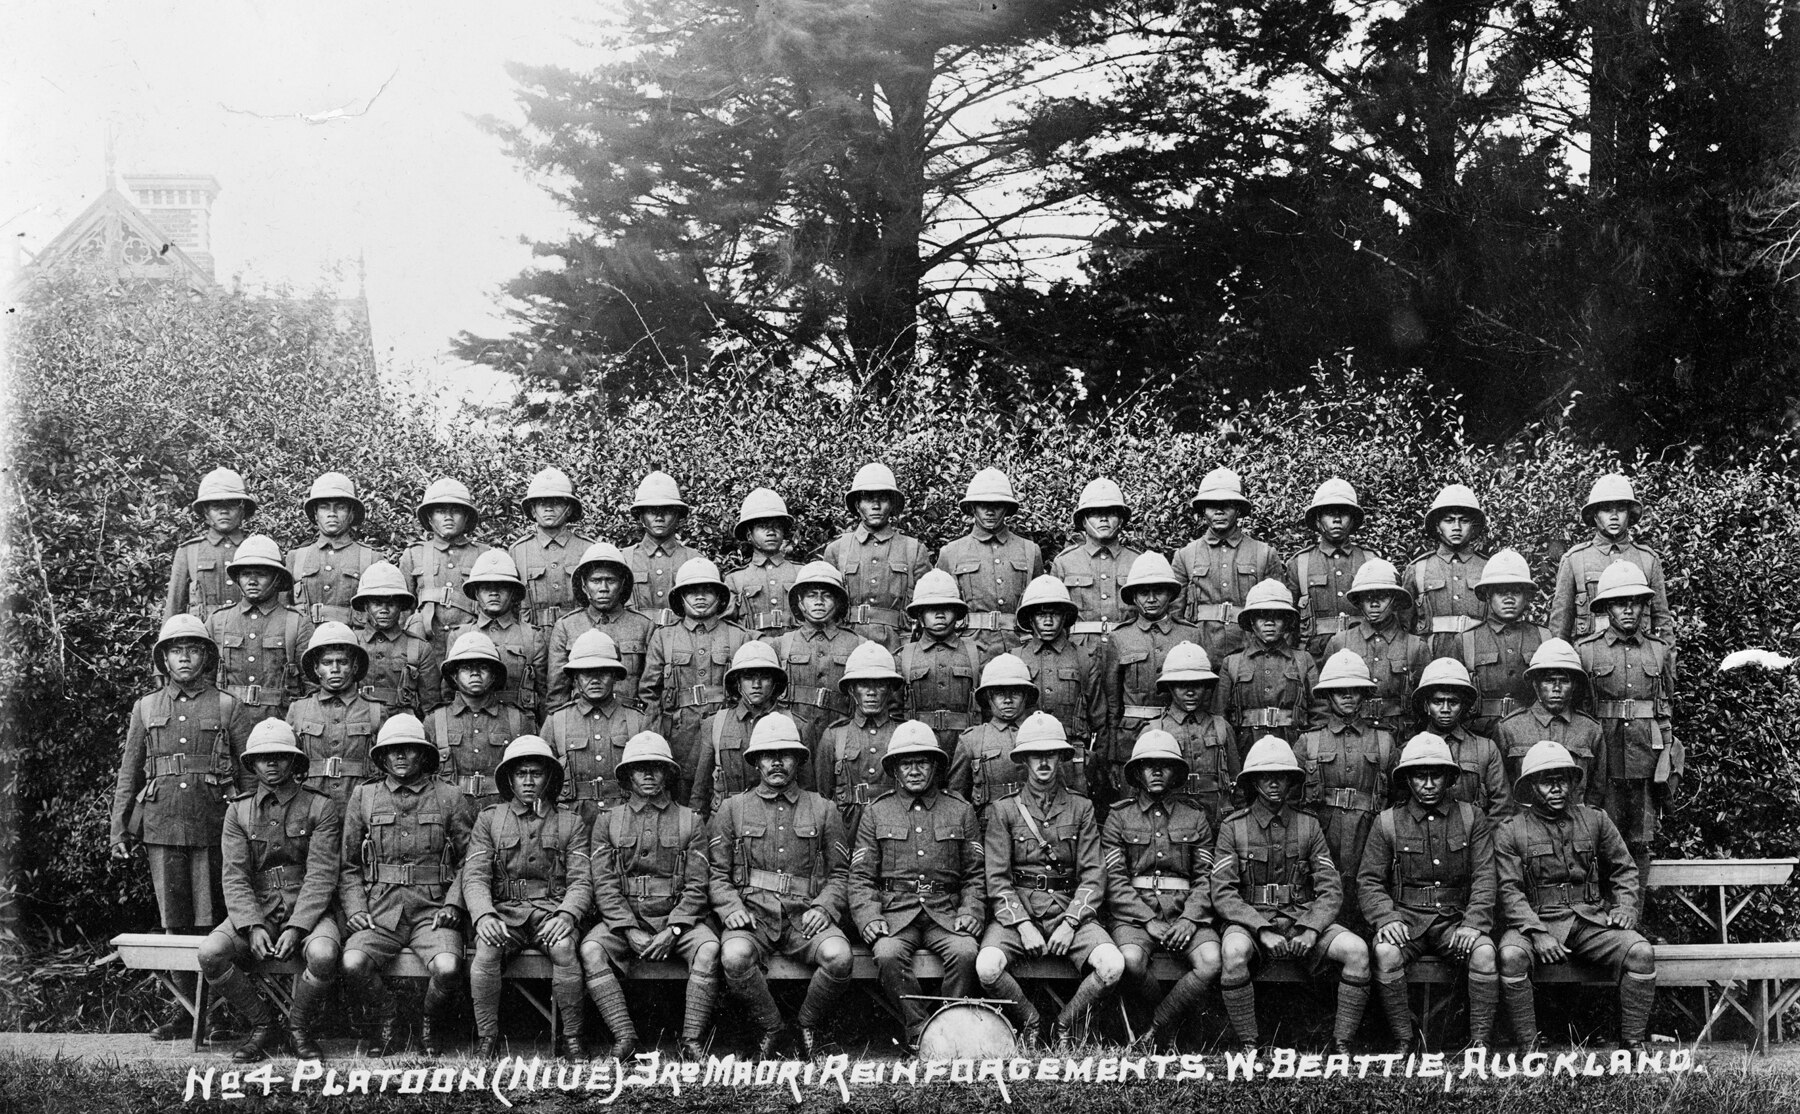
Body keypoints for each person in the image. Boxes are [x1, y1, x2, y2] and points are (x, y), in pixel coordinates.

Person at [110, 614, 256, 1039]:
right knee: (174, 922)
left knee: (215, 924)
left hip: (214, 825)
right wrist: (119, 830)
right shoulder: (146, 707)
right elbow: (129, 772)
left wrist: (251, 829)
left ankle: (219, 1016)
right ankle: (185, 1013)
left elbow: (249, 776)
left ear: (207, 657)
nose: (185, 658)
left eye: (193, 650)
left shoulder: (228, 705)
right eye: (177, 651)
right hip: (161, 825)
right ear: (164, 659)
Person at [1211, 736, 1371, 1054]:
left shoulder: (1308, 825)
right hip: (1251, 921)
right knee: (1233, 952)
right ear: (1253, 781)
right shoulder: (1234, 827)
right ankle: (1248, 1044)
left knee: (1357, 951)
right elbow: (1223, 891)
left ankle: (1342, 1043)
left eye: (1281, 776)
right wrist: (1261, 929)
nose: (1274, 783)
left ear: (1291, 781)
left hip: (1301, 917)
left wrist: (1311, 928)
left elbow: (1330, 887)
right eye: (1266, 776)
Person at [1495, 741, 1658, 1052]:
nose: (1557, 788)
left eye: (1563, 780)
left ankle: (1632, 1043)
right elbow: (1509, 890)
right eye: (1547, 781)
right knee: (1511, 956)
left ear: (1572, 783)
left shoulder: (1595, 820)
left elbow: (1624, 868)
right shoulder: (1511, 830)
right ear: (1531, 787)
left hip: (1590, 921)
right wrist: (1537, 933)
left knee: (1640, 952)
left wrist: (1625, 906)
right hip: (1536, 921)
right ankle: (1528, 1047)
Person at [198, 719, 343, 1062]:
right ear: (252, 764)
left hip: (308, 907)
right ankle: (263, 1026)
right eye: (263, 757)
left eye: (280, 756)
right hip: (257, 908)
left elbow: (322, 874)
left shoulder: (319, 806)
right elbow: (235, 875)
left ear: (294, 761)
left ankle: (298, 1028)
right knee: (211, 953)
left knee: (323, 954)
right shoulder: (238, 810)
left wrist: (298, 926)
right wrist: (251, 925)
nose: (272, 763)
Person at [976, 712, 1122, 1048]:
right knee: (987, 967)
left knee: (1112, 965)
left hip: (1068, 909)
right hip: (1019, 911)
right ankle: (1031, 1021)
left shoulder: (1081, 808)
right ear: (1024, 760)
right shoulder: (1004, 810)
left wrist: (1071, 922)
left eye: (1051, 754)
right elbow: (997, 878)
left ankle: (1064, 1024)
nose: (1043, 762)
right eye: (1036, 755)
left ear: (1061, 758)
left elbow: (1093, 874)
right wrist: (1022, 924)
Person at [710, 717, 853, 1059]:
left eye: (785, 754)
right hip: (753, 916)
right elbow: (716, 873)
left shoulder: (823, 809)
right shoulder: (732, 809)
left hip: (804, 917)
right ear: (756, 762)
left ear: (798, 760)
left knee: (839, 956)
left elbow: (840, 873)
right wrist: (731, 908)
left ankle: (806, 1026)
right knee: (734, 956)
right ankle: (771, 1028)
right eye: (767, 755)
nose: (776, 762)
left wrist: (824, 907)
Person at [339, 713, 476, 1056]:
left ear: (424, 755)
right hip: (380, 910)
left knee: (448, 967)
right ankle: (389, 1017)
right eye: (393, 749)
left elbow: (470, 861)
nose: (400, 755)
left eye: (409, 749)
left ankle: (428, 1023)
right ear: (383, 757)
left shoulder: (449, 796)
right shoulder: (364, 796)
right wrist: (355, 909)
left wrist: (453, 905)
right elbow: (348, 865)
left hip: (433, 910)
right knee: (353, 962)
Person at [1357, 734, 1499, 1055]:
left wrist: (1474, 923)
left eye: (1437, 775)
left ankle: (1479, 1043)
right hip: (1407, 920)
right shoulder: (1388, 822)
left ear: (1449, 778)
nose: (1429, 784)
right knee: (1385, 952)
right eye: (1420, 776)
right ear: (1408, 779)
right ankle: (1403, 1040)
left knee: (1484, 954)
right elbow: (1369, 881)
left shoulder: (1471, 817)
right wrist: (1386, 918)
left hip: (1455, 920)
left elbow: (1485, 876)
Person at [849, 722, 985, 1052]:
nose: (914, 770)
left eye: (922, 762)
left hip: (945, 912)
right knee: (887, 953)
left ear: (935, 766)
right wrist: (870, 917)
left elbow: (975, 875)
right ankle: (921, 1032)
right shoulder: (876, 812)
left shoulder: (960, 810)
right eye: (906, 763)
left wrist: (971, 911)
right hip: (896, 913)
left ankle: (949, 1030)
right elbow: (861, 877)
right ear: (895, 769)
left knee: (966, 952)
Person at [585, 731, 720, 1062]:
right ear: (628, 775)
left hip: (678, 922)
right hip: (625, 922)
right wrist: (627, 928)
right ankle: (624, 1037)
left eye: (656, 767)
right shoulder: (608, 822)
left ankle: (691, 1040)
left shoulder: (690, 821)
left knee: (709, 948)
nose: (648, 774)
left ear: (668, 773)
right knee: (590, 949)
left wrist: (674, 929)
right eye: (639, 767)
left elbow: (697, 885)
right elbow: (604, 884)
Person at [463, 736, 592, 1061]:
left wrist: (567, 915)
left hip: (551, 913)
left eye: (536, 773)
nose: (529, 781)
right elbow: (475, 875)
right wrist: (484, 915)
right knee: (486, 948)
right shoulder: (490, 819)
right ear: (510, 779)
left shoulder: (570, 822)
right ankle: (487, 1038)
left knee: (564, 948)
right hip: (505, 915)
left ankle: (573, 1038)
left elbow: (581, 880)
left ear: (549, 778)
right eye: (521, 774)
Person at [1102, 730, 1220, 1048]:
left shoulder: (1195, 816)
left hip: (1184, 911)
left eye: (1164, 765)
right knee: (1130, 961)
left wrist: (1190, 918)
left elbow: (1206, 878)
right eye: (1148, 765)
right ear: (1137, 773)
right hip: (1135, 914)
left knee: (1211, 960)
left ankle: (1159, 1024)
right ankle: (1166, 1021)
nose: (1156, 771)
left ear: (1176, 773)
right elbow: (1114, 878)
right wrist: (1146, 919)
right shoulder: (1119, 817)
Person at [1576, 562, 1682, 899]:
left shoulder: (1658, 650)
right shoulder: (1586, 651)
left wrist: (1666, 757)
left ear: (1643, 607)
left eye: (1634, 602)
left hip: (1644, 759)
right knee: (1599, 838)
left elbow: (1665, 707)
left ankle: (1633, 917)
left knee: (1639, 842)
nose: (1627, 610)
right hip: (1603, 758)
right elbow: (1578, 713)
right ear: (1607, 607)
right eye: (1620, 603)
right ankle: (1602, 915)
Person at [1297, 649, 1395, 932]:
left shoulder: (1384, 740)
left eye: (1354, 690)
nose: (1348, 696)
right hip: (1323, 830)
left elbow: (1398, 796)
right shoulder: (1309, 741)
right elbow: (1292, 798)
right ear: (1328, 696)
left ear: (1364, 694)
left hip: (1370, 831)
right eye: (1340, 691)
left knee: (1368, 894)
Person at [641, 557, 753, 801]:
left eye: (707, 591)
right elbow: (650, 693)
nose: (700, 597)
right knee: (681, 800)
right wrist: (655, 740)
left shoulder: (738, 637)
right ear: (681, 597)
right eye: (692, 592)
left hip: (726, 733)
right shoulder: (664, 637)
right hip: (679, 736)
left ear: (719, 597)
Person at [1170, 467, 1286, 663]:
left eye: (1227, 505)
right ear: (1203, 510)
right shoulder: (1185, 555)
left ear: (1238, 509)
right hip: (1200, 652)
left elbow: (1280, 614)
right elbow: (1175, 617)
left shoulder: (1264, 554)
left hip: (1251, 652)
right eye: (1212, 506)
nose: (1219, 512)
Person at [1107, 553, 1201, 782]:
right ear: (1133, 596)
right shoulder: (1120, 638)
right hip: (1131, 736)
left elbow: (1202, 695)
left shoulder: (1190, 634)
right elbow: (1112, 704)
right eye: (1143, 592)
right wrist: (1112, 756)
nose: (1151, 599)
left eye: (1158, 591)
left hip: (1178, 733)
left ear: (1170, 594)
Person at [541, 630, 651, 825]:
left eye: (603, 673)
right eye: (586, 673)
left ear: (615, 676)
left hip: (626, 819)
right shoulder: (556, 721)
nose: (595, 680)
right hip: (572, 820)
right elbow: (542, 780)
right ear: (575, 678)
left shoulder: (637, 721)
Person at [1012, 575, 1106, 804]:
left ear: (1065, 617)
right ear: (1030, 619)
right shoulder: (1015, 659)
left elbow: (1100, 718)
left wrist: (1098, 761)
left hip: (1073, 758)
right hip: (1027, 757)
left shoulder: (1084, 658)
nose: (1047, 621)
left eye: (1054, 614)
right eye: (1040, 615)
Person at [1550, 474, 1674, 644]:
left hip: (1640, 656)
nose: (1614, 516)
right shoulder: (1575, 560)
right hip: (1588, 658)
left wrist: (1667, 659)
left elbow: (1662, 622)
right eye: (1607, 509)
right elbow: (1559, 627)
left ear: (1629, 515)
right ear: (1595, 515)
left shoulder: (1648, 560)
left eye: (1621, 509)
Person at [821, 462, 933, 651]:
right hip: (845, 643)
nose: (875, 506)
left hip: (899, 644)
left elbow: (929, 607)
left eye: (883, 499)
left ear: (892, 505)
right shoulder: (837, 550)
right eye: (868, 499)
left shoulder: (913, 550)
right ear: (857, 505)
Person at [207, 534, 314, 723]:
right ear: (238, 578)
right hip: (228, 722)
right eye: (246, 574)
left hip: (280, 722)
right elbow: (204, 682)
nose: (252, 581)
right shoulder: (218, 621)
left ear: (277, 579)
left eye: (261, 574)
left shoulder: (297, 623)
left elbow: (311, 686)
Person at [936, 468, 1042, 654]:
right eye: (983, 505)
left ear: (1007, 508)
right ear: (972, 508)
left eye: (997, 505)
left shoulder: (1030, 551)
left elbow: (1041, 607)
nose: (990, 511)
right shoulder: (951, 552)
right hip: (969, 649)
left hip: (1020, 646)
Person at [427, 630, 535, 809]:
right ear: (454, 675)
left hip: (502, 810)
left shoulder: (517, 720)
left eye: (483, 668)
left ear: (494, 675)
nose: (475, 674)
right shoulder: (435, 721)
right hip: (449, 810)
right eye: (466, 668)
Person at [1325, 559, 1430, 738]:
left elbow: (1425, 703)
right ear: (1359, 602)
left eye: (1382, 597)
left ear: (1395, 601)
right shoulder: (1339, 643)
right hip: (1352, 735)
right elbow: (1324, 701)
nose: (1374, 604)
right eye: (1367, 597)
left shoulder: (1416, 646)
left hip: (1400, 735)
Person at [1138, 643, 1239, 827]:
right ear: (1169, 687)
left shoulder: (1221, 727)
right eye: (1182, 685)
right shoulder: (1154, 730)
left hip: (1216, 817)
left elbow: (1236, 783)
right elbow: (1140, 791)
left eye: (1197, 685)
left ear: (1206, 686)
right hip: (1170, 820)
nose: (1190, 692)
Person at [1453, 549, 1552, 738]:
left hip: (1531, 731)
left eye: (1516, 592)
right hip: (1480, 733)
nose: (1509, 599)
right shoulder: (1466, 640)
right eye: (1500, 592)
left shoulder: (1544, 637)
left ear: (1527, 596)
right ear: (1487, 596)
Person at [771, 561, 865, 756]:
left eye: (827, 595)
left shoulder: (858, 644)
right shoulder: (780, 645)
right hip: (793, 737)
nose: (819, 601)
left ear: (838, 601)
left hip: (842, 736)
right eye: (811, 595)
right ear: (799, 602)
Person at [285, 622, 385, 805]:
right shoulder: (299, 709)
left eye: (343, 662)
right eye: (326, 662)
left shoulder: (376, 710)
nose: (335, 669)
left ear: (355, 666)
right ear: (316, 668)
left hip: (359, 803)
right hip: (309, 805)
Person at [547, 541, 655, 708]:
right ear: (584, 586)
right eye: (595, 581)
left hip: (628, 718)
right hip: (581, 718)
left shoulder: (643, 626)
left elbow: (650, 692)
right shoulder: (567, 626)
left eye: (611, 580)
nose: (603, 588)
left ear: (622, 584)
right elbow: (557, 693)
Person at [1216, 580, 1317, 754]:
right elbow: (1220, 718)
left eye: (1277, 617)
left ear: (1287, 622)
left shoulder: (1303, 660)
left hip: (1292, 745)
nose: (1269, 623)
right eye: (1262, 616)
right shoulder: (1232, 663)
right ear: (1251, 622)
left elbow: (1319, 712)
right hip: (1246, 747)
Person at [817, 642, 909, 835]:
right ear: (851, 690)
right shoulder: (834, 736)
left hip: (896, 827)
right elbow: (823, 795)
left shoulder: (904, 733)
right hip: (847, 827)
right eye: (863, 684)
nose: (871, 692)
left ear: (890, 689)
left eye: (880, 685)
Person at [692, 642, 792, 819]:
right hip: (728, 819)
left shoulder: (794, 724)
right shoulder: (715, 724)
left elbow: (807, 791)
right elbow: (700, 792)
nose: (756, 684)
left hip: (779, 818)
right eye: (748, 677)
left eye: (764, 677)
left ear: (775, 682)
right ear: (737, 682)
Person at [449, 550, 550, 721]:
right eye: (486, 588)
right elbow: (449, 692)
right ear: (476, 593)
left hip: (520, 723)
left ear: (513, 593)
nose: (494, 593)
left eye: (502, 587)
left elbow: (543, 693)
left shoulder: (531, 636)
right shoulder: (460, 635)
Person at [398, 476, 492, 659]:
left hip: (472, 648)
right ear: (429, 517)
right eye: (440, 511)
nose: (448, 517)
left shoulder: (484, 554)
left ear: (466, 517)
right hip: (426, 648)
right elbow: (403, 610)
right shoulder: (413, 555)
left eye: (456, 511)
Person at [1289, 478, 1380, 658]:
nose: (1337, 520)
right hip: (1315, 657)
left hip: (1364, 652)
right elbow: (1287, 624)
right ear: (1318, 520)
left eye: (1343, 513)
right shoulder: (1300, 563)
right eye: (1329, 513)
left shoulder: (1370, 560)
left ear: (1352, 520)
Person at [1495, 639, 1603, 790]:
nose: (1557, 688)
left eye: (1564, 681)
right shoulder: (1509, 728)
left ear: (1574, 686)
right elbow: (1502, 788)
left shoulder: (1591, 729)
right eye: (1549, 680)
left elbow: (1597, 788)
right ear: (1536, 685)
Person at [1407, 661, 1510, 818]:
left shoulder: (1486, 749)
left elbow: (1501, 809)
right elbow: (1401, 813)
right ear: (1426, 705)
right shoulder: (1408, 751)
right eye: (1438, 702)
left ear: (1463, 705)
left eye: (1453, 702)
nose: (1445, 709)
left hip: (1476, 831)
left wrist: (1480, 832)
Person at [948, 653, 1041, 824]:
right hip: (989, 826)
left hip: (1035, 824)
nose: (1008, 700)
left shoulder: (1040, 733)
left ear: (1026, 696)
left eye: (1015, 693)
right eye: (999, 693)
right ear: (988, 698)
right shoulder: (972, 739)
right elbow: (957, 799)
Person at [897, 569, 984, 752]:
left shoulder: (976, 654)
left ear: (957, 613)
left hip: (966, 746)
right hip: (918, 748)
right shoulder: (904, 657)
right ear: (920, 615)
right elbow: (894, 711)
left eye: (947, 608)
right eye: (931, 609)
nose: (940, 615)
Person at [1049, 477, 1142, 644]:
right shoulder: (1064, 562)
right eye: (1095, 513)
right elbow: (1052, 615)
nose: (1104, 518)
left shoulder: (1137, 562)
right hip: (1080, 650)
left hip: (1129, 647)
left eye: (1111, 513)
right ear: (1083, 521)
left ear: (1121, 520)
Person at [1403, 484, 1490, 657]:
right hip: (1431, 656)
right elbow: (1402, 625)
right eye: (1449, 520)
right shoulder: (1418, 569)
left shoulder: (1488, 568)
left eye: (1464, 521)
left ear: (1473, 527)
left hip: (1480, 655)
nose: (1456, 527)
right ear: (1437, 526)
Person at [288, 472, 384, 628]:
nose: (332, 514)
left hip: (353, 638)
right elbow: (282, 613)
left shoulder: (372, 558)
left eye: (340, 507)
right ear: (315, 514)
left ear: (351, 514)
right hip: (306, 638)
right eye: (324, 507)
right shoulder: (296, 557)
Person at [508, 467, 595, 632]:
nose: (548, 508)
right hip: (533, 635)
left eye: (556, 502)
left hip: (579, 634)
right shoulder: (518, 551)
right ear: (533, 510)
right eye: (541, 503)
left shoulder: (587, 548)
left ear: (569, 509)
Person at [352, 560, 441, 718]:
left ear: (401, 606)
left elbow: (430, 706)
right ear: (366, 606)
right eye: (377, 604)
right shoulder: (352, 642)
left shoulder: (419, 648)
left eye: (391, 604)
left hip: (402, 723)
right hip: (359, 721)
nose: (384, 610)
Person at [165, 466, 255, 620]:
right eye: (216, 506)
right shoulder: (189, 552)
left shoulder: (255, 548)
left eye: (232, 505)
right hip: (204, 633)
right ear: (206, 512)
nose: (224, 511)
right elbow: (174, 608)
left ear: (242, 510)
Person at [623, 471, 699, 626]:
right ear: (641, 516)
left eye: (667, 511)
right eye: (651, 511)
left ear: (678, 516)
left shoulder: (695, 560)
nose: (659, 518)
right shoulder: (624, 558)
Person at [726, 487, 801, 636]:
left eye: (777, 526)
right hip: (751, 647)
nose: (771, 532)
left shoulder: (800, 573)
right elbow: (727, 627)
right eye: (763, 527)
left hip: (795, 647)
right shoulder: (735, 579)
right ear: (749, 535)